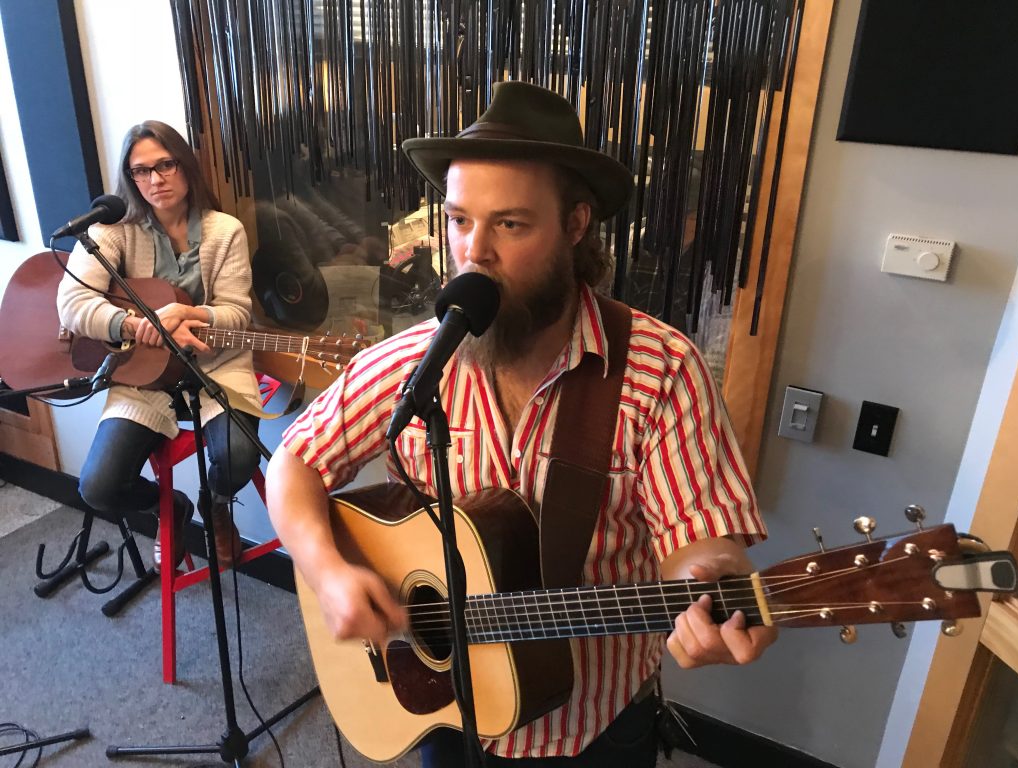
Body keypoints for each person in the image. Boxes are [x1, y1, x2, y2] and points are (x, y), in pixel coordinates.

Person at [265, 81, 776, 766]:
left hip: (593, 725)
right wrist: (327, 571)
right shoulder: (413, 363)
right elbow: (295, 461)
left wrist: (710, 581)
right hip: (446, 709)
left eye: (509, 224)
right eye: (459, 221)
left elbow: (700, 544)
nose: (474, 251)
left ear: (575, 224)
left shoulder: (660, 371)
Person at [56, 120, 263, 571]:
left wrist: (192, 315)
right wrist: (134, 324)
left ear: (185, 165)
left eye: (166, 165)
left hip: (215, 366)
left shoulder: (225, 230)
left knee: (240, 457)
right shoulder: (112, 232)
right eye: (141, 171)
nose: (156, 179)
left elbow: (236, 312)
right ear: (130, 178)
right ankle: (170, 508)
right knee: (99, 487)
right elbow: (72, 304)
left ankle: (216, 505)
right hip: (144, 378)